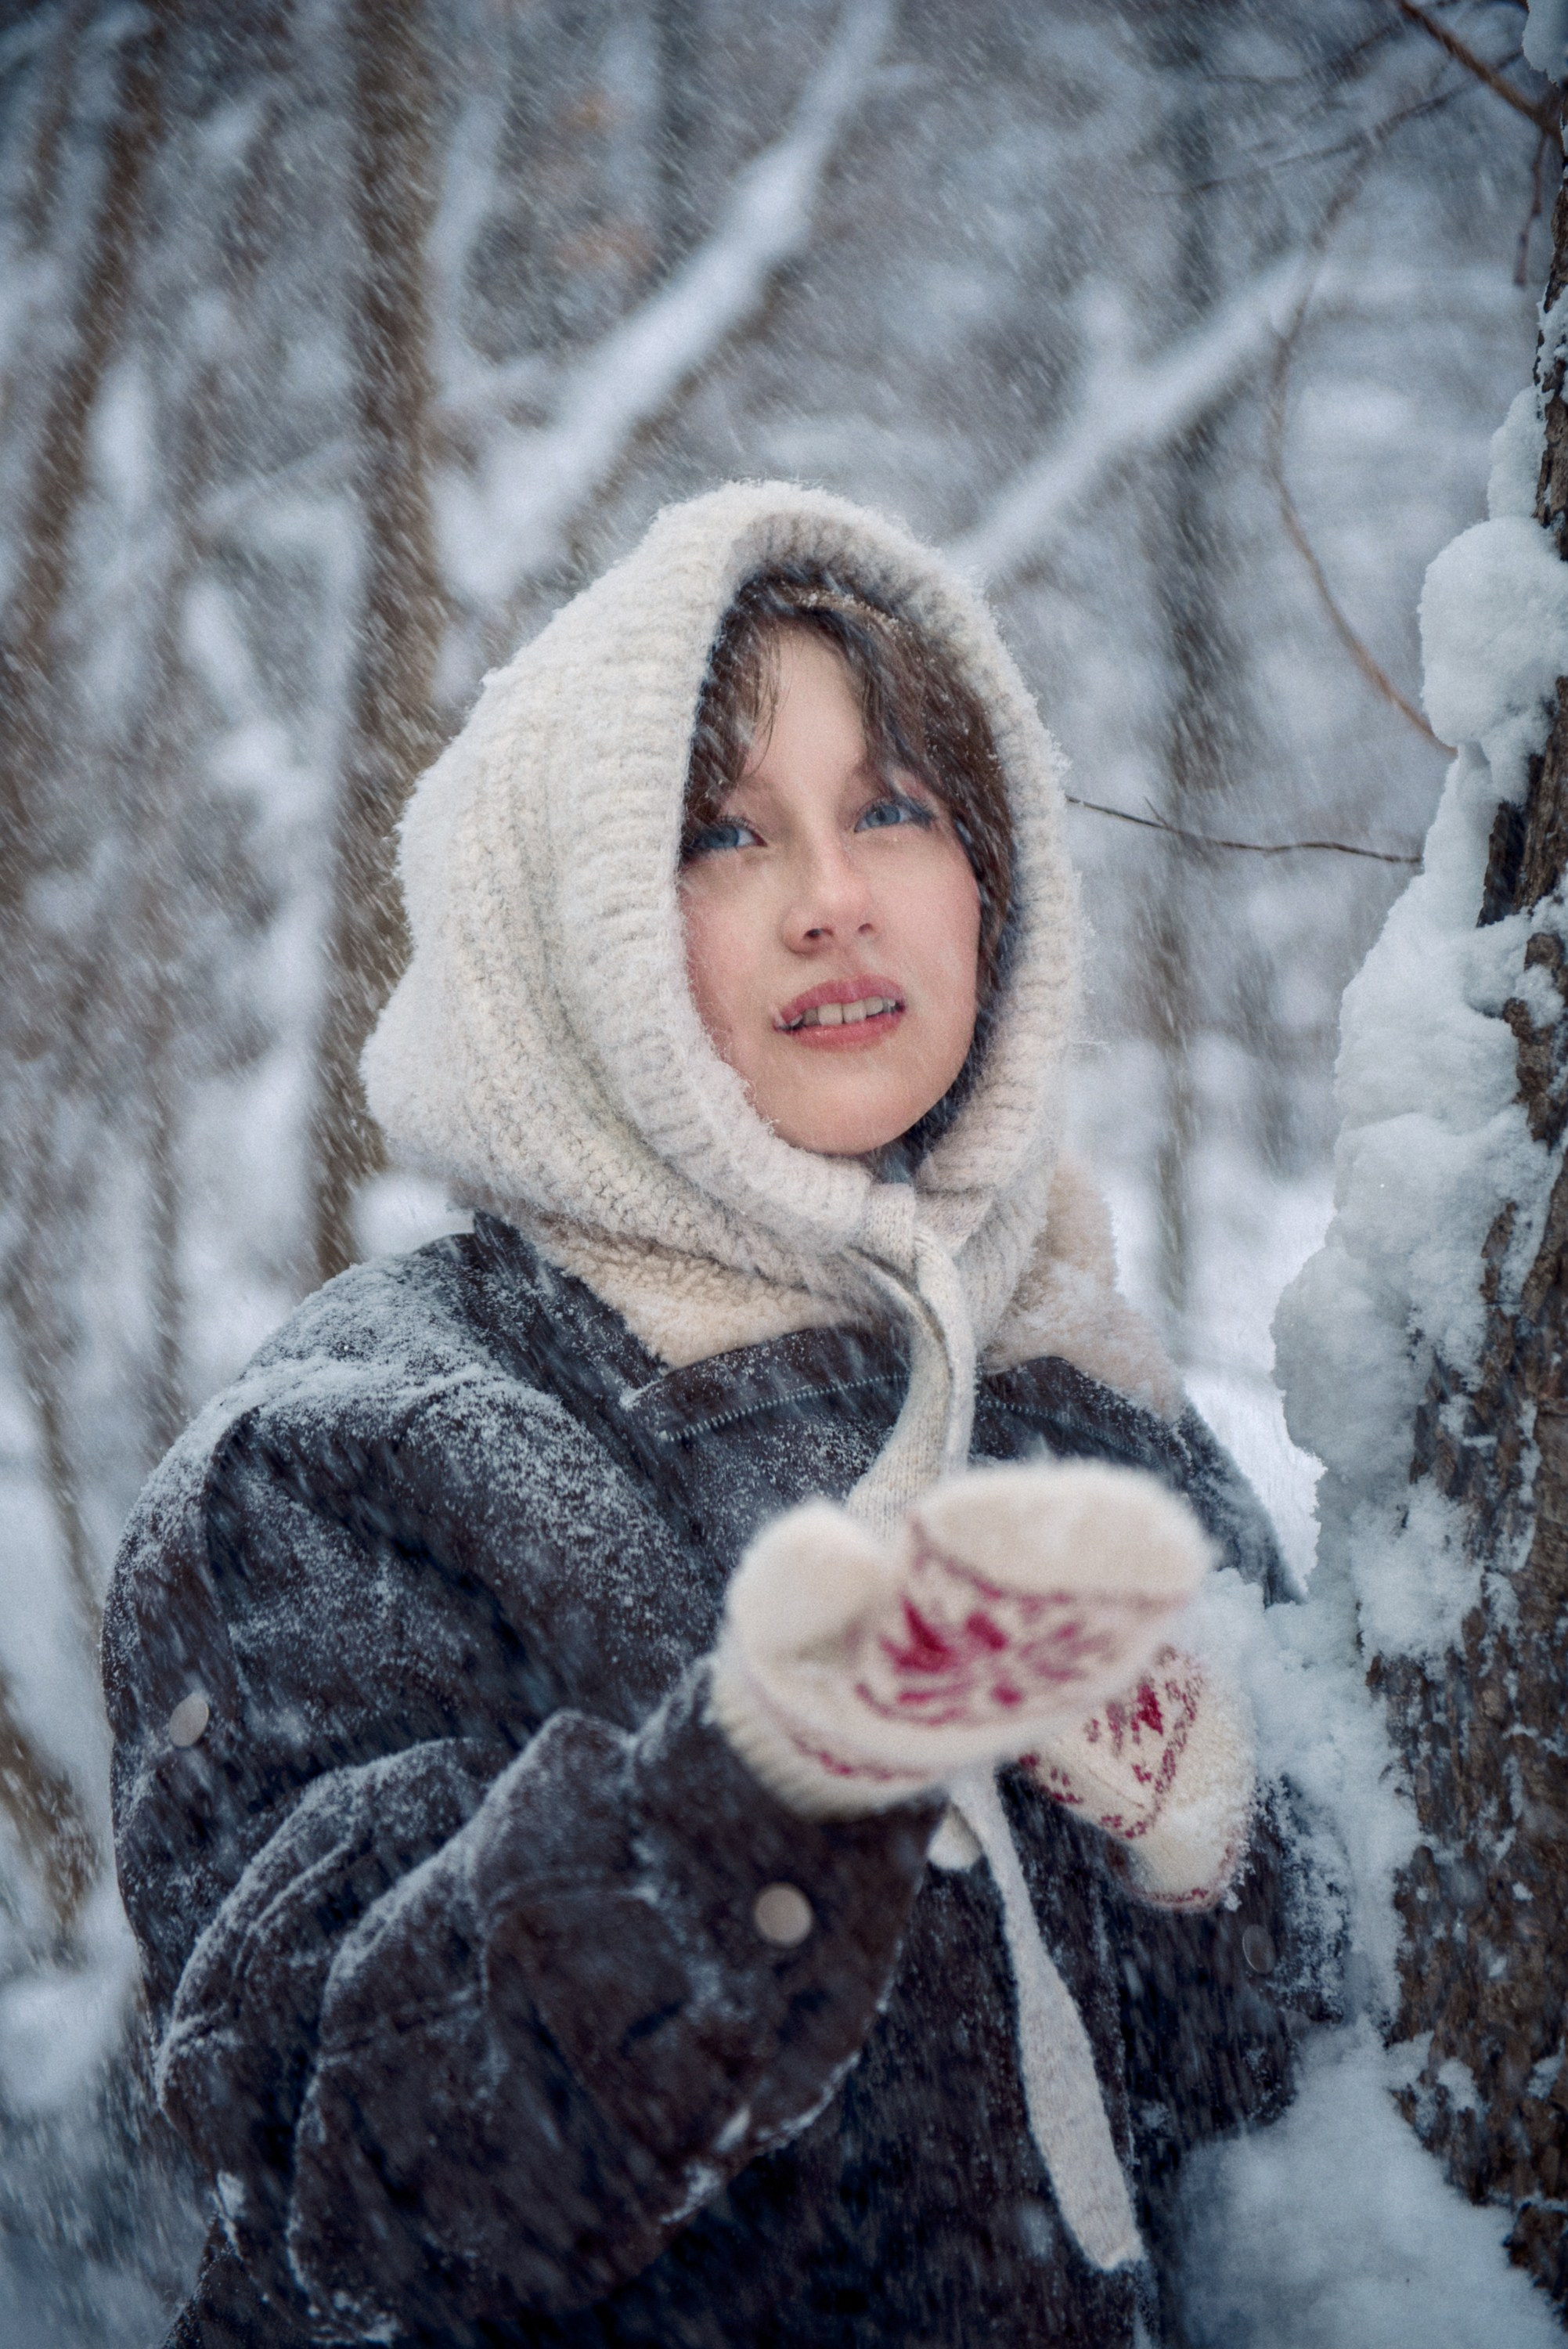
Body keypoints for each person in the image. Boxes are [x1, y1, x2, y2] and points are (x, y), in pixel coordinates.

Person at [106, 483, 1307, 2349]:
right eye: (726, 837)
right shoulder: (357, 1451)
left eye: (891, 809)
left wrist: (1205, 1854)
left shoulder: (1090, 1407)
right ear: (568, 938)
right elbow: (367, 2173)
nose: (834, 898)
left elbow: (1285, 2136)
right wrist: (761, 1792)